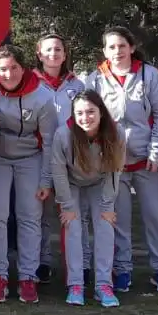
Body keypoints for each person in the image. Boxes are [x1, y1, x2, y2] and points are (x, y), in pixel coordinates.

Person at [86, 26, 158, 295]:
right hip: (114, 164)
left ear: (132, 47)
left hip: (147, 161)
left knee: (155, 217)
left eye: (122, 46)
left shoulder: (149, 74)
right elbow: (89, 120)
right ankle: (122, 269)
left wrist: (156, 151)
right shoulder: (95, 79)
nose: (117, 51)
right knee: (120, 219)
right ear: (104, 51)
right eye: (111, 47)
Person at [0, 45, 57, 304]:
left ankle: (28, 276)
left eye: (14, 67)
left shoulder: (43, 96)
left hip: (30, 157)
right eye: (3, 68)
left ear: (24, 68)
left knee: (30, 216)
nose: (9, 74)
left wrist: (46, 180)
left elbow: (50, 142)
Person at [52, 90, 124, 308]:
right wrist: (66, 206)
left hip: (100, 182)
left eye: (91, 111)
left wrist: (108, 205)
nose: (85, 118)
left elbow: (115, 169)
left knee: (105, 225)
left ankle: (104, 285)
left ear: (101, 111)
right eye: (80, 113)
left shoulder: (116, 132)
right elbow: (58, 171)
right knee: (73, 226)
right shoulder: (63, 134)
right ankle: (76, 285)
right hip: (71, 183)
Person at [35, 33, 88, 285]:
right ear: (39, 54)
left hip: (71, 157)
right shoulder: (30, 82)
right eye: (48, 50)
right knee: (41, 212)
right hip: (40, 155)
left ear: (65, 54)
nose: (53, 54)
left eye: (58, 49)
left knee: (75, 212)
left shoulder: (77, 85)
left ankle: (81, 264)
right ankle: (43, 261)